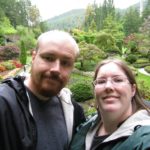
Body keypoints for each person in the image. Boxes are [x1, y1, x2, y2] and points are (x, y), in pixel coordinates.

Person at [0, 30, 85, 150]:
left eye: (65, 63)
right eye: (49, 58)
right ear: (34, 58)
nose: (56, 69)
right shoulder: (4, 105)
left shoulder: (73, 112)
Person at [70, 58, 150, 150]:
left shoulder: (145, 138)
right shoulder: (84, 127)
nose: (108, 86)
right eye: (101, 81)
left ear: (133, 90)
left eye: (118, 80)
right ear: (94, 91)